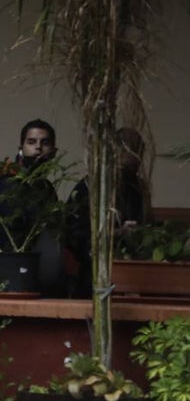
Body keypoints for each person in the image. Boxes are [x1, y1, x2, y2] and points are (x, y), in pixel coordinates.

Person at [65, 127, 151, 298]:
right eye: (129, 150)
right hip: (95, 276)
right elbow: (73, 235)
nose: (135, 158)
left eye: (138, 152)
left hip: (132, 276)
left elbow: (147, 228)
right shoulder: (91, 187)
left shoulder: (138, 188)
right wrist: (115, 233)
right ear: (114, 151)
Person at [0, 119, 64, 295]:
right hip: (7, 281)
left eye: (45, 143)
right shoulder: (5, 183)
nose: (38, 148)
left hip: (40, 282)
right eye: (31, 142)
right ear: (21, 147)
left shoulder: (46, 188)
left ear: (54, 151)